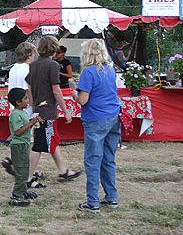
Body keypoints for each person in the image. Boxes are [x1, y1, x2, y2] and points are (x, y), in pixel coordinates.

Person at [72, 39, 121, 214]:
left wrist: (74, 95)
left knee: (93, 160)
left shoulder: (88, 72)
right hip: (113, 116)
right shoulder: (110, 69)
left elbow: (83, 100)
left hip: (96, 119)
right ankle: (111, 196)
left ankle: (92, 202)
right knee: (108, 158)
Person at [28, 36, 81, 183]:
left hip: (39, 110)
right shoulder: (52, 66)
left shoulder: (33, 65)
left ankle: (63, 171)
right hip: (48, 112)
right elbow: (56, 90)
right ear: (53, 48)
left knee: (51, 140)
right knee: (39, 145)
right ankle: (27, 178)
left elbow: (29, 89)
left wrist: (34, 106)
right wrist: (66, 110)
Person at [2, 42, 46, 189]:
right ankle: (25, 172)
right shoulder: (29, 69)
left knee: (20, 140)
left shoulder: (14, 68)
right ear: (29, 55)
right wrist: (36, 108)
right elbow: (30, 90)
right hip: (26, 109)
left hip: (15, 108)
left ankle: (20, 166)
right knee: (28, 142)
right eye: (34, 54)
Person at [7, 88, 42, 206]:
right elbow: (17, 132)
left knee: (25, 170)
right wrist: (31, 123)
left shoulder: (22, 112)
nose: (28, 100)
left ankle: (23, 192)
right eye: (25, 98)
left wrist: (33, 123)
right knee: (21, 172)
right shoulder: (15, 114)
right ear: (18, 102)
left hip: (24, 145)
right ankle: (16, 196)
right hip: (19, 146)